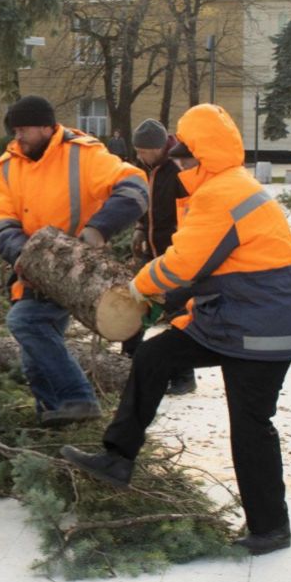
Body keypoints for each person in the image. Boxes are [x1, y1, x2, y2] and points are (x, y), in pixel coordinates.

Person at [61, 104, 291, 556]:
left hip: (263, 328)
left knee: (250, 425)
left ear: (200, 154)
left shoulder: (223, 193)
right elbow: (218, 272)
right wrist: (181, 316)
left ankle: (272, 528)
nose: (177, 161)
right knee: (154, 357)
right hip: (235, 316)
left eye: (183, 153)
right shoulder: (221, 187)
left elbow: (183, 264)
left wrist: (137, 289)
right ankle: (118, 458)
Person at [0, 96, 148, 426]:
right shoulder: (7, 164)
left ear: (48, 127)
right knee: (35, 349)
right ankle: (54, 419)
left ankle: (78, 398)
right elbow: (2, 219)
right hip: (31, 269)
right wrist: (24, 254)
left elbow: (134, 187)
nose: (18, 137)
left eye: (25, 130)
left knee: (25, 323)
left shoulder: (84, 154)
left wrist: (98, 230)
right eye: (14, 130)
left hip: (76, 268)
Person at [122, 118, 196, 396]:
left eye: (143, 151)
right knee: (136, 302)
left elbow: (190, 213)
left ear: (158, 148)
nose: (139, 156)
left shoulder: (179, 170)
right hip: (151, 250)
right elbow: (146, 204)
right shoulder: (146, 168)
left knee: (177, 313)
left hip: (175, 251)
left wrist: (182, 247)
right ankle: (127, 360)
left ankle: (184, 375)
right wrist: (140, 227)